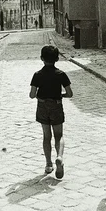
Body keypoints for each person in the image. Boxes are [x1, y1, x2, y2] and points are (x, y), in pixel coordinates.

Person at [29, 45, 73, 179]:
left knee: (46, 136)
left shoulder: (37, 75)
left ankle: (48, 164)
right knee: (59, 135)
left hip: (42, 106)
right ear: (57, 59)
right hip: (56, 106)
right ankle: (59, 157)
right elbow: (70, 93)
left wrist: (40, 94)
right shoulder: (61, 74)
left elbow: (32, 95)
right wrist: (60, 95)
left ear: (41, 58)